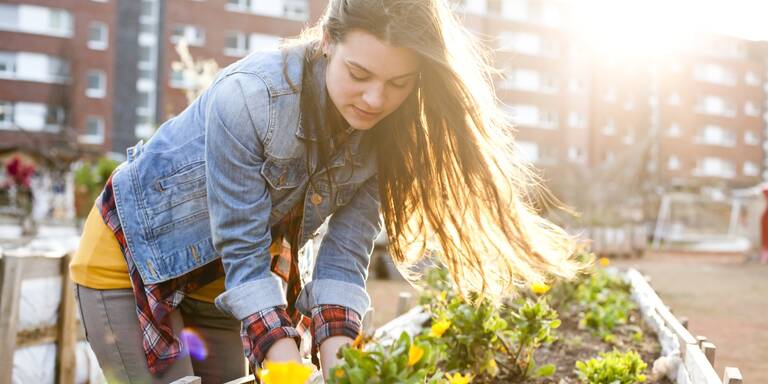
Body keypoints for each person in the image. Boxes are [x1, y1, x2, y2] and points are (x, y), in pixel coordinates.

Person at [70, 0, 582, 382]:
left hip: (220, 290)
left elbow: (343, 260)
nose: (376, 99)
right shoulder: (249, 98)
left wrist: (342, 370)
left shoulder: (388, 135)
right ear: (327, 41)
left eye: (399, 83)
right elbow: (244, 250)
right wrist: (290, 369)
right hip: (134, 265)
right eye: (359, 74)